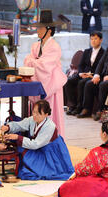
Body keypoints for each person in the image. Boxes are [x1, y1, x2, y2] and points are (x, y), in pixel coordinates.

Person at [1, 100, 74, 180]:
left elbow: (35, 144)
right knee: (22, 149)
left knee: (42, 172)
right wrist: (8, 127)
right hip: (39, 147)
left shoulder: (50, 126)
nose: (35, 115)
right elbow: (20, 125)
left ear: (46, 114)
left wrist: (18, 137)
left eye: (39, 113)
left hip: (51, 152)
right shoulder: (33, 119)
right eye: (34, 112)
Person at [24, 9, 66, 137]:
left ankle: (51, 139)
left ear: (48, 29)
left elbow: (44, 66)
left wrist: (33, 61)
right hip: (39, 81)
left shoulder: (54, 46)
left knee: (51, 113)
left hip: (51, 84)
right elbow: (28, 61)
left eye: (40, 28)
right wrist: (34, 61)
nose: (37, 30)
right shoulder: (35, 46)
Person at [65, 31, 105, 116]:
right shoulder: (87, 51)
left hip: (94, 75)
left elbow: (103, 67)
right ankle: (72, 106)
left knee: (81, 83)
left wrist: (94, 75)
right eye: (91, 39)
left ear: (101, 40)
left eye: (95, 39)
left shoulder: (104, 53)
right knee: (68, 81)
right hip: (83, 74)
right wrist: (80, 73)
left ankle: (81, 108)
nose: (93, 41)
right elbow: (81, 65)